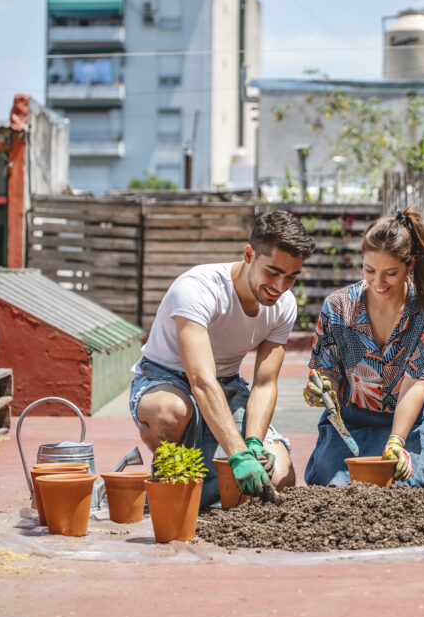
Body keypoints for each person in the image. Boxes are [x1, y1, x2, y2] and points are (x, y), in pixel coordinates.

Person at [129, 210, 315, 507]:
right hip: (166, 380)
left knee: (279, 475)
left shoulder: (283, 306)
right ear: (249, 254)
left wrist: (253, 443)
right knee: (169, 413)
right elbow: (200, 381)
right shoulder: (197, 288)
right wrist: (238, 454)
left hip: (227, 384)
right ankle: (174, 488)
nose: (280, 287)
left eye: (291, 277)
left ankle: (208, 488)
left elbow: (265, 384)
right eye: (273, 272)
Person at [302, 207, 424, 487]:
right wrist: (324, 388)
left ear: (410, 265)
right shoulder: (338, 306)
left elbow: (416, 384)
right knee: (337, 484)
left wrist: (396, 441)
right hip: (350, 420)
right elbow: (327, 369)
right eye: (369, 270)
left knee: (406, 483)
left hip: (410, 421)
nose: (378, 282)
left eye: (390, 273)